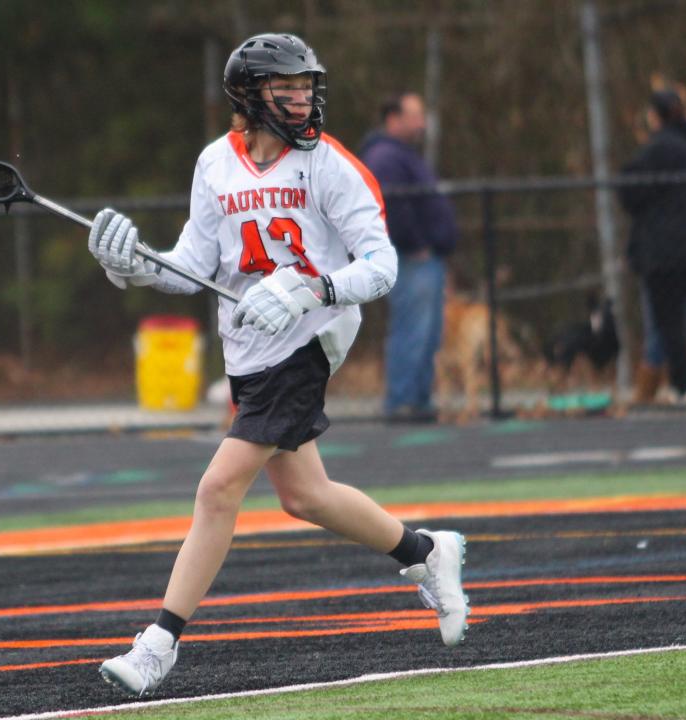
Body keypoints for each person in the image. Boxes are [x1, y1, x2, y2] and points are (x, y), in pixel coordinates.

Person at [86, 33, 469, 697]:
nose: (300, 100)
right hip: (248, 352)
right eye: (284, 90)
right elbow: (195, 267)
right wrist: (139, 266)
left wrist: (312, 287)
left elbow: (382, 265)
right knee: (304, 496)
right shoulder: (215, 164)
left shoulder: (328, 165)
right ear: (248, 95)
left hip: (306, 342)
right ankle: (427, 552)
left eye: (305, 88)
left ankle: (158, 645)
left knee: (217, 489)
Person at [359, 92, 458, 423]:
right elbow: (392, 207)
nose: (422, 123)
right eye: (414, 115)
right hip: (409, 258)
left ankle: (417, 400)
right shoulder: (386, 156)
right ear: (393, 119)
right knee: (411, 330)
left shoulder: (404, 155)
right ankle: (402, 401)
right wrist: (415, 244)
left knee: (427, 332)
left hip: (422, 258)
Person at [619, 89, 686, 405]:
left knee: (661, 322)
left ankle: (662, 387)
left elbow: (630, 192)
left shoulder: (656, 152)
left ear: (655, 116)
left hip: (662, 255)